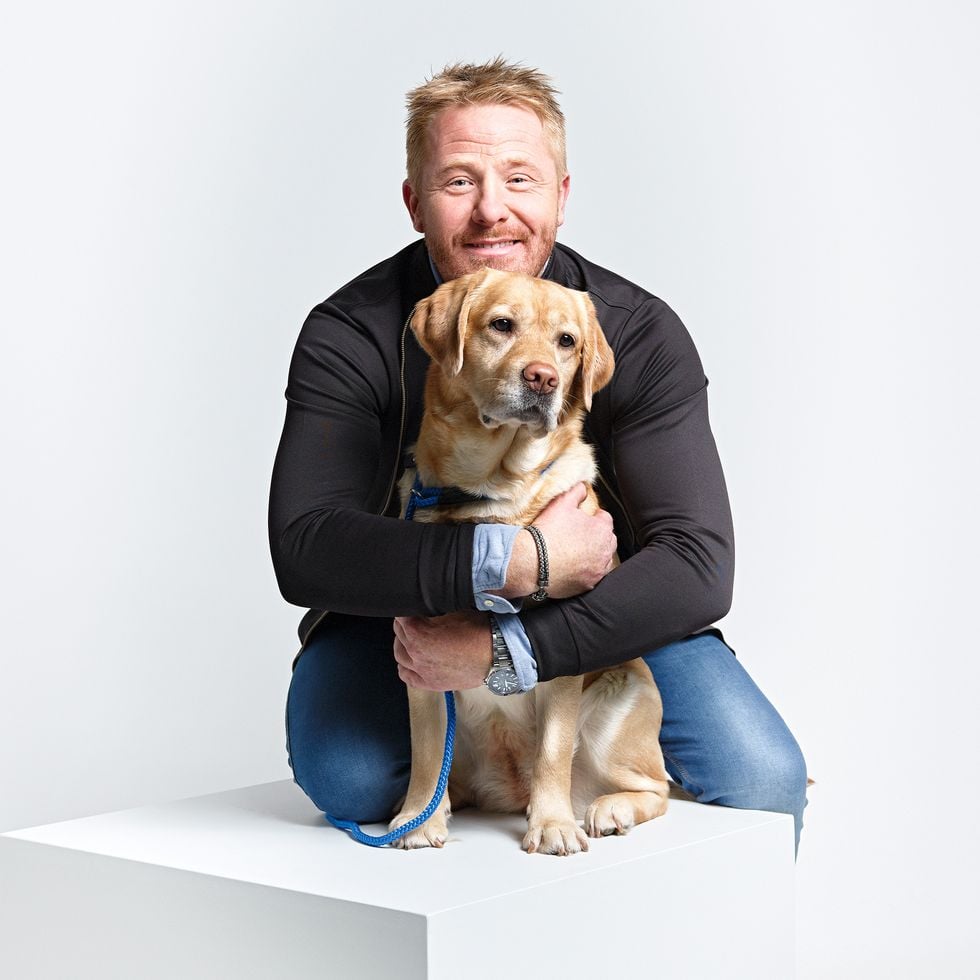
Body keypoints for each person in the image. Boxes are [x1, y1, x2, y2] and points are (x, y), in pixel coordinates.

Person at [269, 58, 808, 851]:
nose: (493, 210)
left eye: (520, 179)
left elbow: (697, 562)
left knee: (763, 777)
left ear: (561, 194)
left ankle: (597, 787)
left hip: (601, 617)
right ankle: (477, 776)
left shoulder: (635, 329)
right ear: (414, 202)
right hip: (398, 605)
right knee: (352, 778)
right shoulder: (349, 332)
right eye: (459, 181)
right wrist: (520, 562)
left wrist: (506, 650)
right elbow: (306, 546)